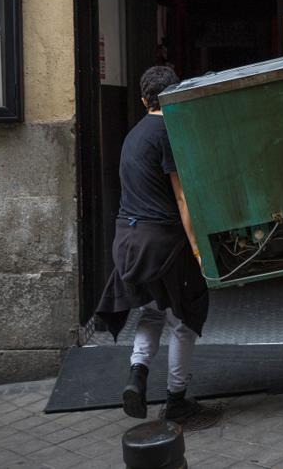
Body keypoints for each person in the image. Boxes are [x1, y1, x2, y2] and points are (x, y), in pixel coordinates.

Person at [95, 65, 208, 424]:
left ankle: (137, 376)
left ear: (144, 100)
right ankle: (176, 400)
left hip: (127, 240)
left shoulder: (133, 135)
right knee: (185, 318)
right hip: (161, 243)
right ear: (173, 94)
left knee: (153, 309)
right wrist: (196, 247)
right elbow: (181, 199)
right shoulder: (169, 133)